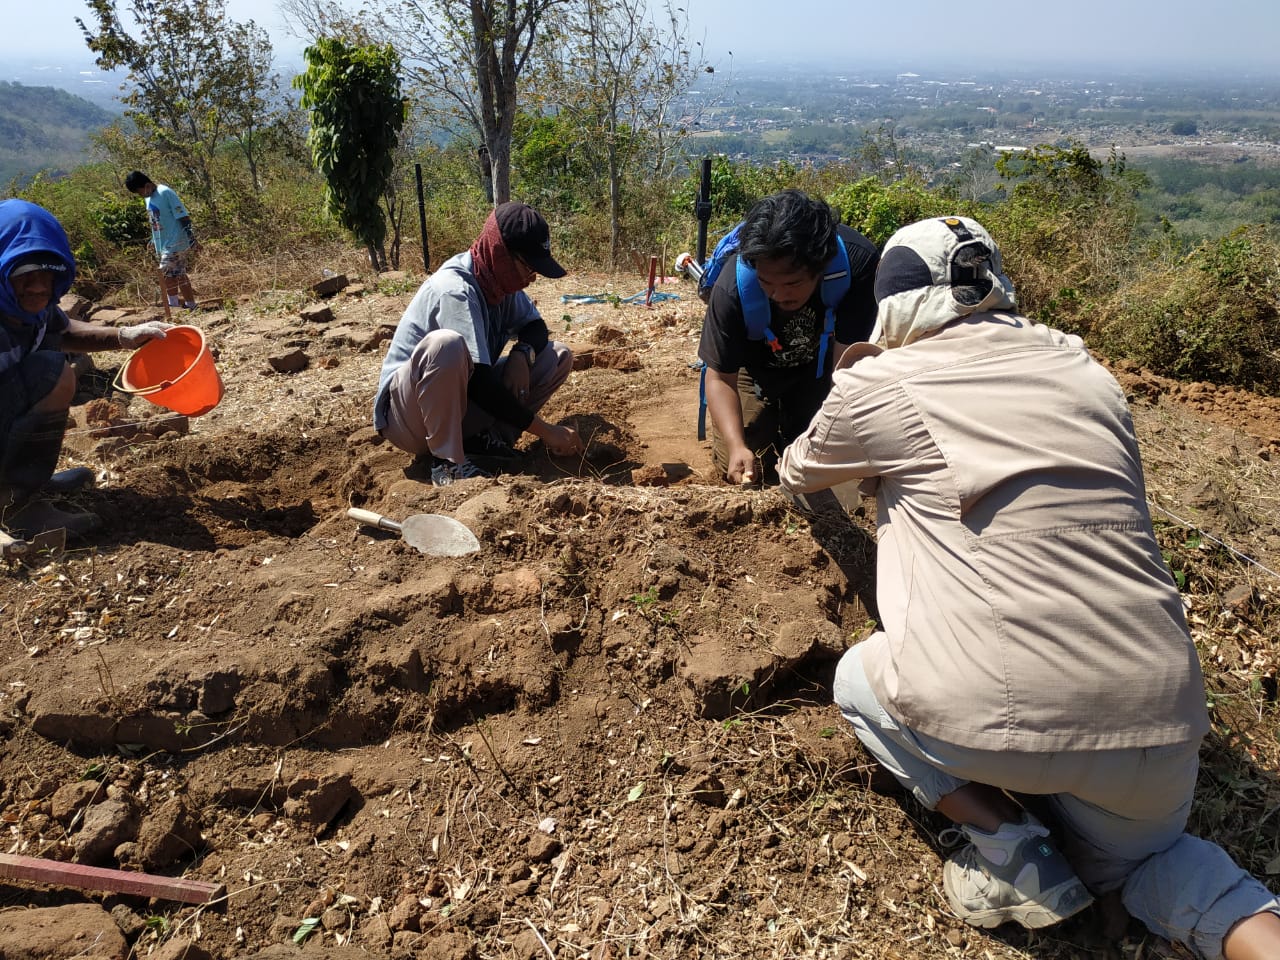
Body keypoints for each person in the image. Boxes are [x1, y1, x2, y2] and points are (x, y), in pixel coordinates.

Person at [778, 215, 1280, 960]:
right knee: (1150, 864)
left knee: (858, 676)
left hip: (989, 720)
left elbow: (799, 472)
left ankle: (1009, 844)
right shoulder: (1090, 374)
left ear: (895, 304)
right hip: (1163, 730)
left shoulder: (884, 382)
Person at [373, 202, 583, 486]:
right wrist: (547, 432)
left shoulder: (498, 282)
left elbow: (535, 327)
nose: (531, 278)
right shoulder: (456, 289)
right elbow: (481, 385)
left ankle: (485, 442)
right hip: (409, 420)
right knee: (446, 345)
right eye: (528, 267)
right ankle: (448, 464)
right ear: (501, 253)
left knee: (556, 356)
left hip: (455, 406)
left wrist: (522, 354)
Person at [1, 199, 171, 539]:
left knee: (50, 370)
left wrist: (125, 335)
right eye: (24, 276)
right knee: (51, 373)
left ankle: (29, 481)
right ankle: (15, 506)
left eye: (47, 276)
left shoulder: (33, 308)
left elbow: (63, 331)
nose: (37, 287)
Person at [697, 189, 879, 484]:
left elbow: (847, 367)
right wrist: (736, 446)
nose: (779, 294)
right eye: (767, 283)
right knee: (753, 466)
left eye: (793, 283)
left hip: (821, 367)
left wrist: (830, 436)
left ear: (820, 267)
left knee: (821, 458)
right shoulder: (732, 288)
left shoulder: (856, 266)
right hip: (752, 370)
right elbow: (719, 378)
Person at [124, 171, 199, 311]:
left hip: (176, 240)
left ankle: (176, 305)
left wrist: (191, 238)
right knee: (176, 274)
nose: (141, 195)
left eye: (140, 192)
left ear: (147, 185)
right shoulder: (148, 198)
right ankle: (187, 305)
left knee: (166, 272)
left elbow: (183, 216)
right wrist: (153, 239)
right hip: (164, 243)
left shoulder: (165, 192)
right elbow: (157, 220)